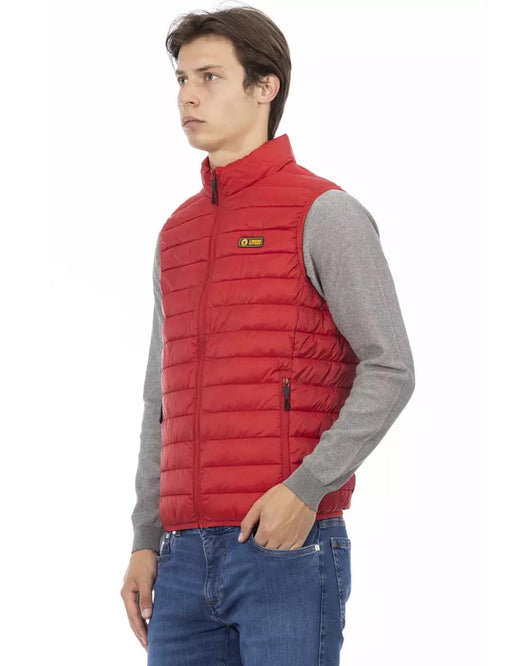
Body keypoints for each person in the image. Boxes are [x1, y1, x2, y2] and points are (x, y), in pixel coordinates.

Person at [120, 6, 415, 665]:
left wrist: (305, 489)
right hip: (181, 560)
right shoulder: (177, 233)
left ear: (265, 87)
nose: (187, 96)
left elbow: (391, 367)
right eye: (181, 79)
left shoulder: (325, 213)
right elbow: (160, 401)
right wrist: (145, 537)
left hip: (286, 545)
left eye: (210, 76)